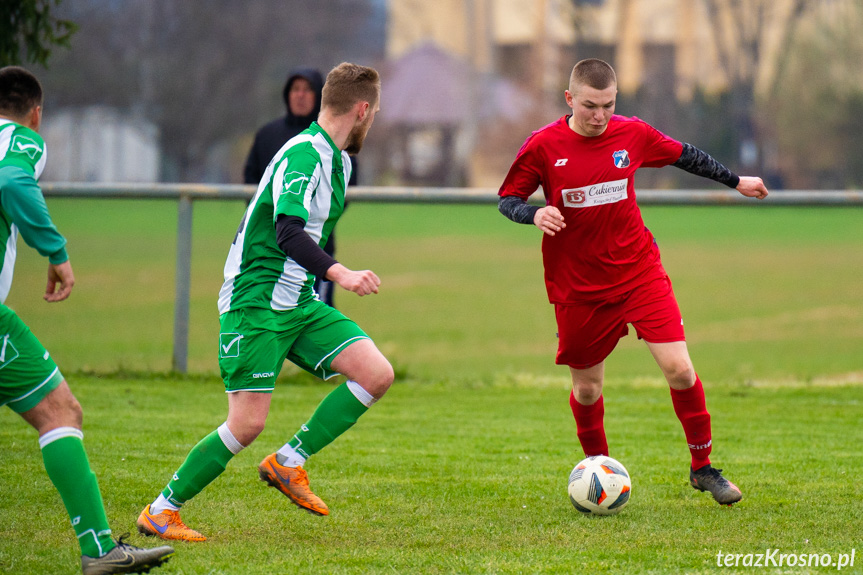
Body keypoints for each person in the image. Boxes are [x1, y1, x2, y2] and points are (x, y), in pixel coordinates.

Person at [138, 62, 392, 542]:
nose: (373, 120)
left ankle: (289, 461)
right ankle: (161, 509)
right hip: (254, 299)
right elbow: (287, 230)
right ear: (361, 110)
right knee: (247, 423)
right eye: (374, 112)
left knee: (376, 373)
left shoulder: (340, 161)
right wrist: (341, 273)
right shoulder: (303, 156)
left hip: (296, 299)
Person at [498, 59, 769, 506]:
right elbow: (508, 199)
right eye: (589, 106)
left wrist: (736, 180)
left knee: (681, 369)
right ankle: (597, 472)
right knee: (587, 389)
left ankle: (702, 469)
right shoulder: (543, 146)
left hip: (638, 271)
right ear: (570, 100)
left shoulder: (632, 133)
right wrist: (533, 213)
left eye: (607, 105)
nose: (599, 116)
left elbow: (685, 155)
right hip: (579, 286)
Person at [0, 66, 174, 574]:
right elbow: (11, 178)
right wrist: (55, 250)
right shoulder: (22, 139)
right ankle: (99, 552)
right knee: (60, 413)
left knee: (60, 410)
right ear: (36, 113)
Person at [244, 67, 355, 308]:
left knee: (314, 320)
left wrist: (315, 218)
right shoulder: (268, 135)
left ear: (319, 97)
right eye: (295, 89)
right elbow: (252, 181)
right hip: (268, 252)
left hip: (316, 250)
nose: (300, 95)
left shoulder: (334, 138)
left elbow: (346, 182)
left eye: (307, 90)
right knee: (272, 320)